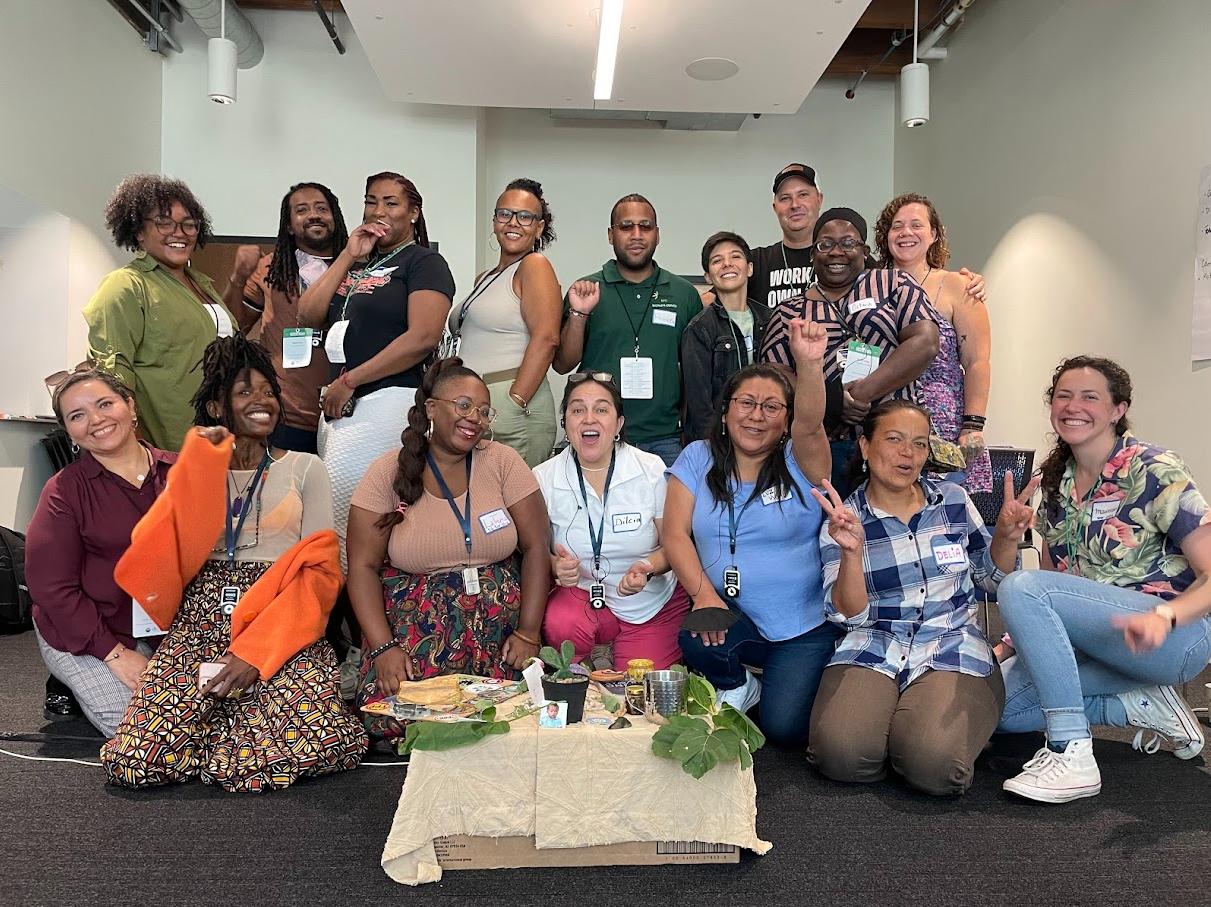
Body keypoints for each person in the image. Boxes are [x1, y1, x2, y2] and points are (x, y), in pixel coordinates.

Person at [100, 335, 366, 790]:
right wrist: (201, 463)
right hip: (201, 622)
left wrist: (253, 654)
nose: (262, 401)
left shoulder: (305, 468)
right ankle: (222, 732)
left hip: (282, 617)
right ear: (219, 408)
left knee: (285, 751)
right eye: (245, 392)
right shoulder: (195, 465)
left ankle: (223, 739)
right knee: (134, 762)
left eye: (268, 391)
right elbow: (156, 553)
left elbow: (322, 574)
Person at [995, 357, 1211, 804]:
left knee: (1018, 584)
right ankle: (1142, 704)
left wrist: (1167, 616)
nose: (1073, 406)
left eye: (1090, 396)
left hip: (1172, 636)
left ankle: (1071, 752)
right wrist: (1012, 643)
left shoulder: (1154, 469)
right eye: (1063, 396)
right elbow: (1058, 590)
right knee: (997, 709)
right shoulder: (1055, 483)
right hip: (1101, 640)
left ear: (1118, 409)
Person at [808, 401, 1035, 795]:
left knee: (935, 767)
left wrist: (1006, 538)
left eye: (918, 443)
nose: (907, 453)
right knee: (841, 756)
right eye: (893, 439)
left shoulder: (953, 500)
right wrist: (851, 553)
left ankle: (923, 732)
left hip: (951, 644)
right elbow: (848, 615)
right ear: (864, 446)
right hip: (873, 643)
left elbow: (991, 579)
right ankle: (902, 731)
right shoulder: (844, 520)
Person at [346, 358, 550, 738]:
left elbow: (537, 546)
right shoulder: (386, 472)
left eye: (484, 411)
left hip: (501, 634)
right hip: (419, 630)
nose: (475, 417)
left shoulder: (503, 462)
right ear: (431, 409)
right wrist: (383, 648)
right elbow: (361, 567)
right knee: (403, 721)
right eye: (463, 405)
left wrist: (528, 633)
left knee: (519, 716)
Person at [665, 321, 837, 747]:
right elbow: (673, 534)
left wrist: (810, 364)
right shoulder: (697, 457)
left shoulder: (802, 461)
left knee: (784, 729)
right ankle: (740, 682)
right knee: (696, 634)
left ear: (786, 421)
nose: (756, 415)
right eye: (746, 403)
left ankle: (776, 687)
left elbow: (813, 425)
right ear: (725, 413)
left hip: (802, 628)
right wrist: (704, 595)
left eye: (772, 407)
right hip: (733, 615)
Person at [297, 171, 455, 563]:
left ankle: (367, 614)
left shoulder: (424, 262)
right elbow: (306, 314)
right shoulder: (358, 265)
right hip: (341, 407)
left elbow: (422, 337)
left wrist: (351, 379)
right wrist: (349, 254)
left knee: (355, 520)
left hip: (385, 401)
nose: (378, 210)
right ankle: (348, 615)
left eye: (391, 203)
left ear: (414, 213)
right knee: (335, 520)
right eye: (371, 201)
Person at [26, 369, 176, 736]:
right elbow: (52, 590)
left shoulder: (182, 472)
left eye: (105, 403)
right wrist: (116, 655)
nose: (96, 420)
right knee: (143, 730)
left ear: (130, 404)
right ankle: (73, 679)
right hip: (89, 629)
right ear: (69, 431)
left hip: (170, 625)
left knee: (223, 706)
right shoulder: (64, 491)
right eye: (77, 416)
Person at [760, 207, 939, 498]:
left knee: (891, 527)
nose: (836, 252)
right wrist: (832, 400)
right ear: (812, 254)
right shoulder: (789, 312)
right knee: (831, 530)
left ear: (864, 250)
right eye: (825, 244)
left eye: (848, 243)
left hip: (894, 441)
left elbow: (926, 341)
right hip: (822, 445)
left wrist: (862, 394)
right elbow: (773, 377)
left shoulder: (894, 284)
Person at [535, 372, 690, 670]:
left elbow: (674, 544)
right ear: (565, 422)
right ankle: (587, 661)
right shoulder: (543, 477)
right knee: (561, 623)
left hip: (648, 603)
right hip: (581, 597)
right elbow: (533, 550)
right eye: (578, 409)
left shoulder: (650, 468)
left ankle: (613, 655)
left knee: (639, 694)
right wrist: (554, 565)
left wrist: (648, 569)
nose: (589, 419)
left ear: (618, 424)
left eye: (601, 409)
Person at [84, 174, 236, 451]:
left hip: (216, 443)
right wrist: (138, 452)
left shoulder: (203, 285)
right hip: (163, 449)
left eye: (189, 225)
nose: (179, 233)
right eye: (164, 222)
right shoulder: (126, 285)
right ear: (138, 231)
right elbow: (111, 378)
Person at [553, 194, 702, 467]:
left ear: (657, 235)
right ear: (611, 235)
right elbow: (563, 364)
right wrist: (579, 313)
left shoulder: (684, 294)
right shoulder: (586, 289)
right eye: (626, 227)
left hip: (666, 438)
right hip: (599, 434)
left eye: (645, 227)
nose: (636, 235)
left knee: (668, 511)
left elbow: (694, 373)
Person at [874, 193, 992, 492]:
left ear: (933, 234)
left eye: (916, 225)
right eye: (897, 226)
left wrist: (972, 427)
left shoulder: (958, 286)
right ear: (885, 236)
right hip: (886, 419)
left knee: (949, 515)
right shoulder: (872, 285)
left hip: (945, 422)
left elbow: (977, 362)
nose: (906, 233)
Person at [223, 182, 350, 454]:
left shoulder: (359, 269)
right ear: (290, 225)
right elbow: (235, 327)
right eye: (302, 210)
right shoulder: (270, 268)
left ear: (335, 218)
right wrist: (238, 279)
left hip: (348, 414)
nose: (314, 215)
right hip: (286, 415)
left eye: (321, 208)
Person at [443, 178, 561, 467]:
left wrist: (515, 401)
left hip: (511, 409)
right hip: (476, 404)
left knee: (512, 506)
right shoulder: (484, 278)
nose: (513, 223)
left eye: (525, 217)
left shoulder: (534, 266)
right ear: (495, 221)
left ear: (539, 227)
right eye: (505, 214)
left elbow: (546, 339)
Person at [681, 231, 774, 443]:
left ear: (749, 268)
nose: (727, 264)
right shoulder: (699, 329)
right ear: (707, 276)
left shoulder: (770, 320)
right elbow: (699, 405)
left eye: (735, 256)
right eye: (717, 260)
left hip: (768, 436)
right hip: (721, 440)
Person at [747, 164, 827, 310]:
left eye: (803, 195)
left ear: (819, 200)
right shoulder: (755, 262)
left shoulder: (845, 258)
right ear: (775, 207)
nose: (795, 205)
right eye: (785, 198)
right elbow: (712, 299)